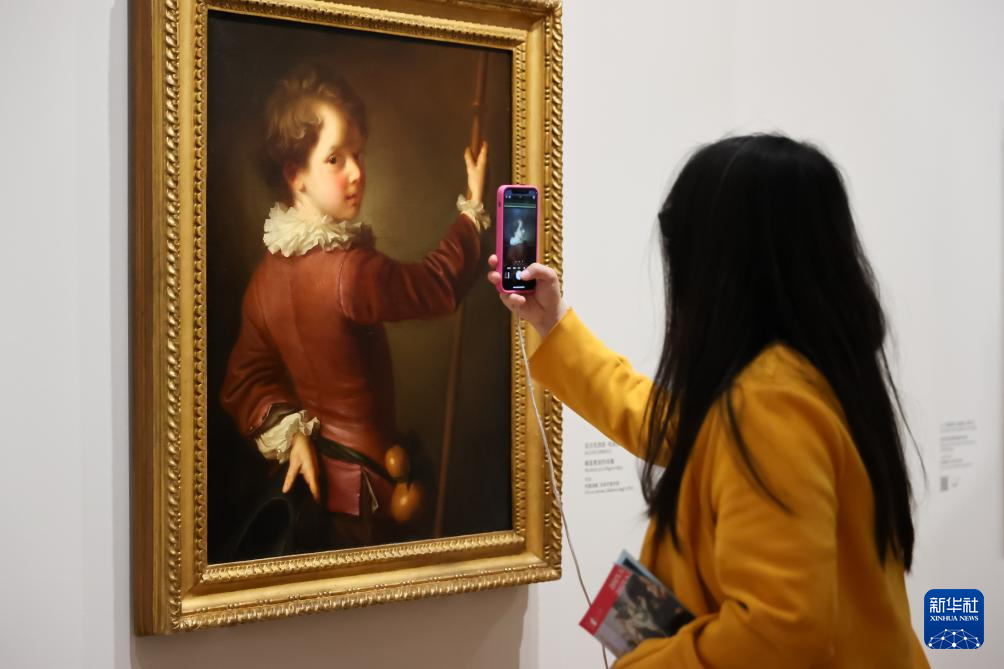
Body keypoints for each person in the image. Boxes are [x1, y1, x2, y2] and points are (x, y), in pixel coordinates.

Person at [487, 134, 930, 668]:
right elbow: (668, 423)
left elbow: (778, 632)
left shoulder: (770, 400)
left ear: (723, 263)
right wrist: (552, 323)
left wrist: (645, 664)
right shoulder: (812, 372)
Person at [221, 63, 490, 552]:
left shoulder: (263, 281)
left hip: (317, 495)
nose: (357, 172)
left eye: (358, 154)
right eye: (335, 159)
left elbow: (245, 382)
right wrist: (472, 211)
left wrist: (292, 434)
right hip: (371, 496)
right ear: (295, 174)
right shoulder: (352, 272)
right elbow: (437, 286)